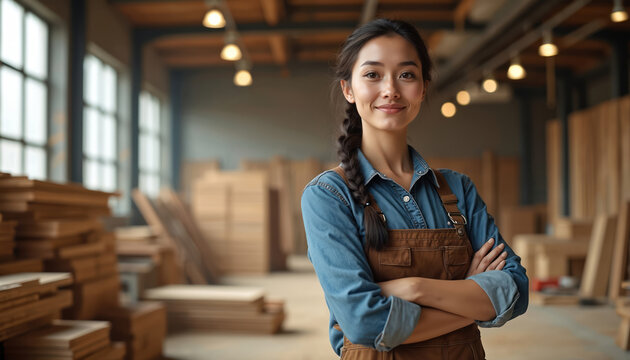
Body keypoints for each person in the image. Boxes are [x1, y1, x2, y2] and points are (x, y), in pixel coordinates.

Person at [301, 18, 528, 359]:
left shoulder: (458, 189)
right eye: (373, 74)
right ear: (349, 88)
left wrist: (414, 288)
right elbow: (365, 323)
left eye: (406, 74)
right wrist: (470, 296)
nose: (390, 89)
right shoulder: (329, 196)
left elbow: (516, 290)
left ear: (422, 87)